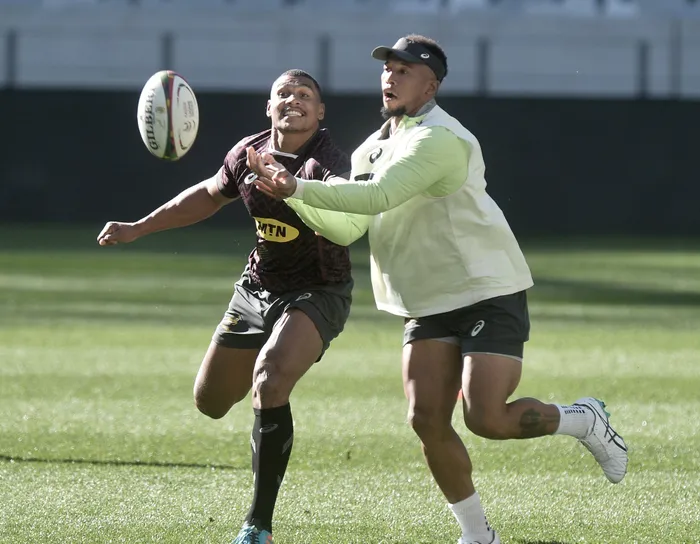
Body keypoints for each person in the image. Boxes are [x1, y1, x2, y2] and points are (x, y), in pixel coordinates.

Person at [246, 36, 629, 544]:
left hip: (484, 288)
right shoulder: (372, 147)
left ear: (431, 86)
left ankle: (582, 420)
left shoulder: (442, 138)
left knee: (486, 418)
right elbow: (349, 227)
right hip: (426, 300)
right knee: (425, 419)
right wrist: (291, 197)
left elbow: (378, 195)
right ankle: (477, 536)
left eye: (404, 70)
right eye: (388, 68)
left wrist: (295, 186)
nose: (390, 76)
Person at [96, 69, 353, 544]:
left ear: (320, 111)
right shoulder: (247, 153)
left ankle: (258, 526)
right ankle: (270, 388)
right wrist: (138, 227)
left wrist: (299, 188)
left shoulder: (328, 160)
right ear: (269, 107)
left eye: (304, 95)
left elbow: (350, 199)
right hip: (256, 289)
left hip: (319, 290)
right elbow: (207, 197)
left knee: (270, 379)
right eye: (283, 93)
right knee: (210, 401)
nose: (293, 100)